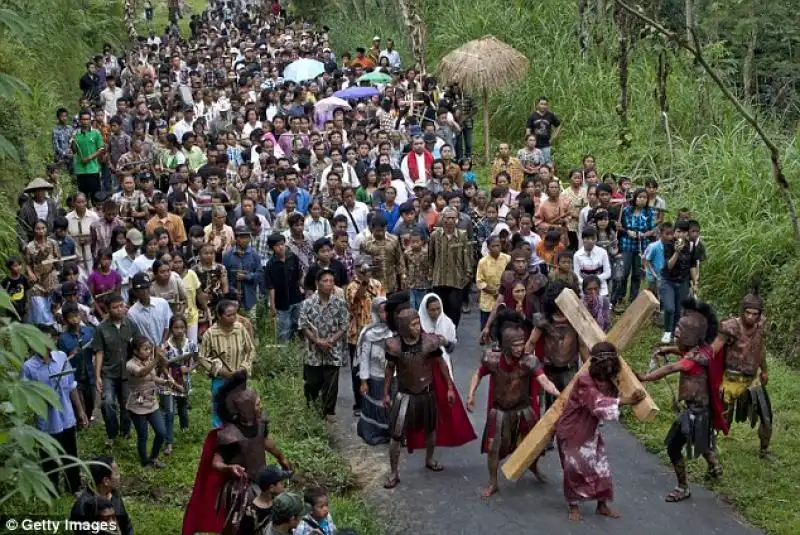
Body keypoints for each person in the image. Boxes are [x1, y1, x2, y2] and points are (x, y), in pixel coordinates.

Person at [637, 299, 727, 502]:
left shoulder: (692, 360)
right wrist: (668, 349)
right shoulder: (703, 351)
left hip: (694, 413)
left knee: (673, 447)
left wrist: (645, 377)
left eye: (679, 330)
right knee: (702, 442)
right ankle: (715, 467)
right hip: (703, 412)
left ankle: (683, 487)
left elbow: (672, 368)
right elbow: (684, 352)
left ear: (690, 335)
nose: (676, 332)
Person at [182, 372, 292, 535]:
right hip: (241, 489)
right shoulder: (230, 435)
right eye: (257, 404)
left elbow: (264, 441)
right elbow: (216, 462)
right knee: (239, 525)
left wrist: (281, 456)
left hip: (260, 481)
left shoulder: (260, 425)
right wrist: (228, 467)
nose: (260, 407)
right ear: (247, 408)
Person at [466, 311, 560, 497]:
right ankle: (493, 482)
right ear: (505, 345)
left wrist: (557, 392)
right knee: (493, 448)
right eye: (515, 345)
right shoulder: (491, 359)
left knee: (532, 444)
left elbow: (543, 380)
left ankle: (533, 467)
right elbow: (478, 373)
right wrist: (471, 394)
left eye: (521, 343)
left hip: (523, 410)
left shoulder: (529, 361)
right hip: (499, 412)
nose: (520, 348)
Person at [382, 307, 475, 489]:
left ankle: (429, 459)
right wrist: (385, 393)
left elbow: (441, 365)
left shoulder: (429, 342)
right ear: (403, 327)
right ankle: (394, 472)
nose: (417, 327)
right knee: (396, 435)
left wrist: (449, 387)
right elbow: (389, 369)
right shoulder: (394, 345)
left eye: (418, 323)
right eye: (413, 324)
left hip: (427, 393)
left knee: (431, 430)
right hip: (405, 395)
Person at [556, 341, 646, 521]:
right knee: (574, 469)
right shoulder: (584, 380)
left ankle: (602, 505)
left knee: (600, 468)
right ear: (596, 364)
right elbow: (597, 404)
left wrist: (634, 380)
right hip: (573, 429)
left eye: (612, 364)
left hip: (590, 430)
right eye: (606, 364)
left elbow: (617, 389)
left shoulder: (610, 378)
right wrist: (627, 401)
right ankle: (573, 505)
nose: (609, 367)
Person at [20, 331, 89, 495]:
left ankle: (74, 487)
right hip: (47, 421)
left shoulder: (61, 357)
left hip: (66, 417)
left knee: (70, 453)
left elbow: (71, 386)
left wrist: (80, 411)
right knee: (48, 458)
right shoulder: (29, 367)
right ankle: (51, 491)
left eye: (50, 339)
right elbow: (24, 396)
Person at [710, 284, 773, 459]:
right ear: (742, 311)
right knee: (720, 419)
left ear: (760, 314)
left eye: (755, 314)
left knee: (766, 417)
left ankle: (764, 450)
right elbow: (713, 350)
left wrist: (764, 370)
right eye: (748, 313)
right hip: (730, 379)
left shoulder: (761, 326)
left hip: (751, 379)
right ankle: (710, 453)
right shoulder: (731, 327)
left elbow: (759, 349)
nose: (751, 317)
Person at [298, 269, 349, 422]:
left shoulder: (339, 303)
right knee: (312, 382)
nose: (328, 284)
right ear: (317, 283)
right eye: (325, 281)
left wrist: (331, 341)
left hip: (333, 349)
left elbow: (344, 325)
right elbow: (303, 325)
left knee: (331, 382)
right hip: (313, 350)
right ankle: (311, 408)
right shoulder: (307, 303)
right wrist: (317, 341)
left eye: (331, 281)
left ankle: (329, 411)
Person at [199, 299, 256, 428]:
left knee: (240, 406)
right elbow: (202, 357)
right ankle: (219, 436)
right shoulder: (210, 334)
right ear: (219, 316)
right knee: (219, 407)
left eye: (235, 314)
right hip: (220, 379)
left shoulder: (240, 329)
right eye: (229, 315)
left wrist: (243, 368)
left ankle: (239, 434)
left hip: (239, 377)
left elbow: (250, 350)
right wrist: (219, 370)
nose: (233, 318)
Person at [92, 293, 137, 446]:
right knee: (108, 403)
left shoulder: (130, 324)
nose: (119, 310)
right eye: (115, 307)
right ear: (108, 309)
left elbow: (138, 346)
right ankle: (112, 433)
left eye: (121, 306)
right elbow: (99, 352)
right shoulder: (101, 328)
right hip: (108, 372)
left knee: (127, 404)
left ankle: (125, 431)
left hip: (127, 372)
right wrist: (97, 376)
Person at [126, 335, 175, 467]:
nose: (148, 351)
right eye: (145, 349)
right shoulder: (130, 365)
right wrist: (156, 360)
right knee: (143, 436)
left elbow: (153, 377)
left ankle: (153, 457)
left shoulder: (149, 361)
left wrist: (166, 382)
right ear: (135, 351)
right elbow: (142, 373)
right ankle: (145, 461)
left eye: (149, 348)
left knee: (161, 432)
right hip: (137, 405)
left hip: (152, 403)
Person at [345, 257, 385, 417]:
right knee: (358, 369)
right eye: (361, 269)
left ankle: (375, 400)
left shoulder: (377, 284)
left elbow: (383, 304)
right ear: (356, 269)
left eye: (367, 269)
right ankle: (359, 404)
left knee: (376, 366)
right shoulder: (352, 286)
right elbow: (355, 301)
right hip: (357, 333)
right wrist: (363, 282)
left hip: (376, 332)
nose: (364, 272)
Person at [356, 297, 394, 445]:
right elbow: (364, 358)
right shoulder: (369, 333)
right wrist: (364, 381)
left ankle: (392, 433)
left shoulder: (395, 331)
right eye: (383, 312)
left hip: (392, 376)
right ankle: (375, 434)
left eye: (388, 311)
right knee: (376, 407)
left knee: (391, 406)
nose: (386, 315)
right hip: (375, 376)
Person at [429, 207, 473, 328]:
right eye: (447, 218)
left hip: (456, 278)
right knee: (440, 308)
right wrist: (431, 274)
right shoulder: (434, 235)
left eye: (453, 218)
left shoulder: (462, 235)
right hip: (439, 279)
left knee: (455, 308)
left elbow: (467, 256)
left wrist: (467, 274)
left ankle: (452, 331)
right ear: (442, 219)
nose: (450, 221)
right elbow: (431, 256)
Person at [162, 315, 198, 456]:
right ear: (171, 329)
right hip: (169, 381)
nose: (179, 330)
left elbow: (198, 359)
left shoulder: (190, 344)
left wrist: (189, 369)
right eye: (176, 327)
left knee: (182, 407)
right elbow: (162, 365)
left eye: (182, 327)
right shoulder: (165, 346)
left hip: (183, 379)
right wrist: (169, 378)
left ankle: (185, 432)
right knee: (169, 412)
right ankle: (168, 443)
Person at [70, 456, 133, 535]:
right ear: (106, 481)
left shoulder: (114, 494)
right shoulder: (83, 506)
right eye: (116, 474)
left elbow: (126, 524)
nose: (119, 476)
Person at [265, 233, 304, 343]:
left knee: (298, 326)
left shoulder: (293, 257)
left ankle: (298, 349)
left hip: (296, 298)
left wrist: (306, 291)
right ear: (272, 248)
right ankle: (284, 353)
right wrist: (272, 305)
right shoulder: (270, 265)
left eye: (282, 244)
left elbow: (299, 277)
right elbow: (271, 286)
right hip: (281, 303)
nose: (281, 247)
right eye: (277, 245)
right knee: (283, 330)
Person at [238, 466, 293, 535]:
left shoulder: (278, 503)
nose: (283, 486)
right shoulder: (250, 514)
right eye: (281, 483)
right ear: (271, 488)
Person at [476, 236, 511, 331]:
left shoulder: (507, 259)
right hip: (487, 300)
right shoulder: (483, 262)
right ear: (488, 247)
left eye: (498, 245)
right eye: (493, 246)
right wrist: (494, 292)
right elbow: (479, 282)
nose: (496, 248)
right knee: (486, 327)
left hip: (504, 298)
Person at [418, 293, 457, 377]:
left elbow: (451, 349)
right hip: (424, 366)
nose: (436, 312)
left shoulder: (447, 322)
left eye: (438, 309)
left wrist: (446, 343)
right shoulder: (417, 324)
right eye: (432, 310)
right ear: (425, 310)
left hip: (443, 365)